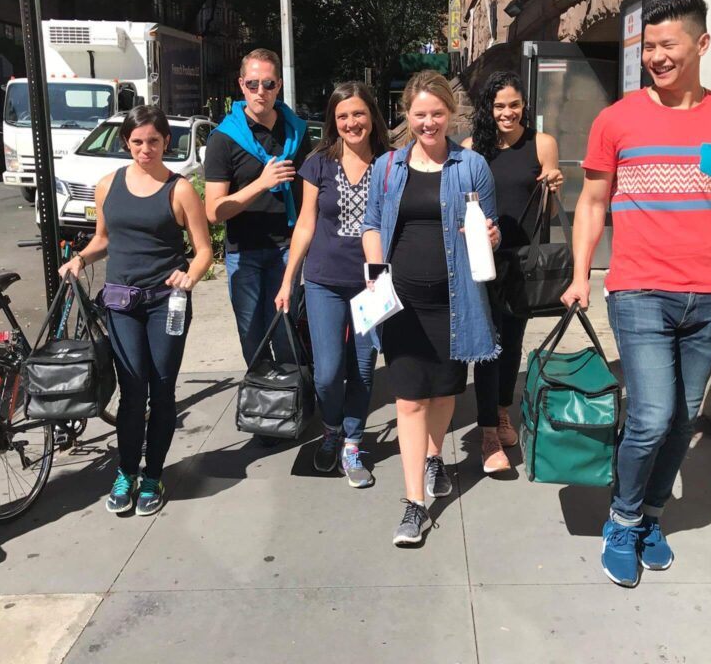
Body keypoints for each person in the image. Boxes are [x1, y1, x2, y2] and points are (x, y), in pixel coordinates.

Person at [561, 0, 711, 587]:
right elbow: (591, 204)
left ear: (701, 44)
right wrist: (578, 275)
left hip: (710, 295)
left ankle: (650, 516)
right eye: (649, 48)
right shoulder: (617, 120)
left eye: (669, 46)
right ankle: (621, 519)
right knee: (650, 415)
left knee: (682, 419)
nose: (657, 58)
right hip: (640, 290)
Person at [362, 70, 500, 546]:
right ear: (407, 115)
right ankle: (414, 503)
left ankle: (435, 458)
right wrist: (375, 271)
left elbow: (490, 224)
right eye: (419, 115)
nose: (428, 123)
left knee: (443, 392)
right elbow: (372, 224)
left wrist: (489, 235)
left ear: (451, 114)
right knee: (408, 398)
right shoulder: (388, 167)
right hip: (402, 300)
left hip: (455, 298)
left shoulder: (471, 165)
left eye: (437, 114)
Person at [60, 105, 214, 516]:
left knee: (161, 391)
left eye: (153, 141)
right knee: (132, 391)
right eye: (137, 142)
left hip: (167, 304)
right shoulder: (108, 185)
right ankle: (126, 472)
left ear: (166, 142)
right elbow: (103, 240)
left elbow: (204, 252)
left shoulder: (179, 189)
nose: (146, 149)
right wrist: (80, 259)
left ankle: (153, 476)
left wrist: (189, 277)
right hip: (122, 303)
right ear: (126, 143)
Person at [275, 82, 388, 487]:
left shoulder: (390, 163)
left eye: (358, 114)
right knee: (327, 372)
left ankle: (353, 442)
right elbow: (305, 222)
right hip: (322, 280)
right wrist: (289, 279)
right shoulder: (318, 162)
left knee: (361, 369)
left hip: (371, 284)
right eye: (342, 116)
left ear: (372, 115)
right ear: (333, 121)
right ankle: (332, 429)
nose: (351, 122)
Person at [462, 71, 564, 475]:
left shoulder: (542, 144)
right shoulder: (472, 148)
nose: (508, 112)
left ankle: (502, 411)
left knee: (511, 344)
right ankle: (489, 431)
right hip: (481, 260)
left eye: (514, 104)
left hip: (522, 260)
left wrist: (555, 187)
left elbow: (549, 213)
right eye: (499, 105)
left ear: (525, 106)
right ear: (488, 108)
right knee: (488, 346)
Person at [204, 49, 311, 367]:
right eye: (253, 84)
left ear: (279, 85)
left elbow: (308, 196)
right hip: (244, 252)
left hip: (286, 250)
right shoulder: (224, 139)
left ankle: (294, 402)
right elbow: (214, 211)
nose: (260, 91)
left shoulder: (296, 132)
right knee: (253, 338)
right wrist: (262, 184)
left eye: (268, 84)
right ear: (241, 85)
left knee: (285, 331)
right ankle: (263, 403)